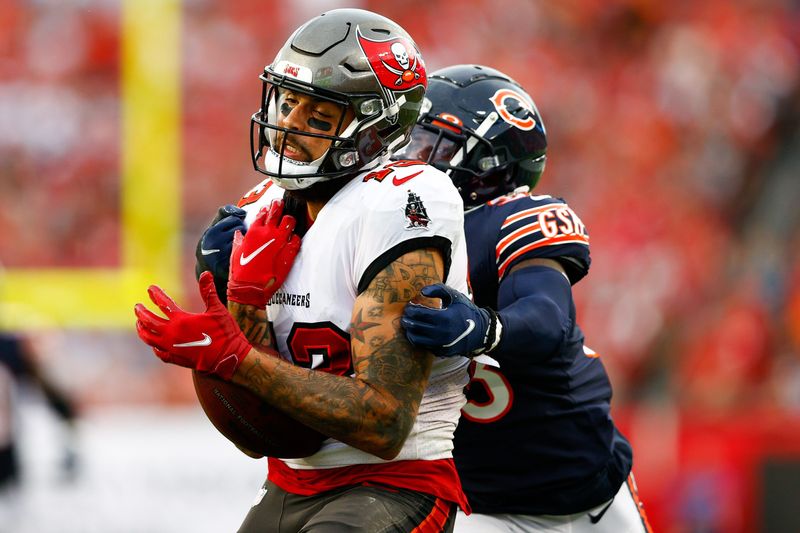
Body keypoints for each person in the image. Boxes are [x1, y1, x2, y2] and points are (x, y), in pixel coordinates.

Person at [135, 9, 471, 532]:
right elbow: (270, 433)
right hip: (289, 480)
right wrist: (242, 301)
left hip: (393, 483)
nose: (287, 128)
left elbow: (384, 421)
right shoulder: (263, 207)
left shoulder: (403, 201)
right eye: (286, 104)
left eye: (317, 118)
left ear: (373, 131)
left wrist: (236, 360)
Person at [396, 65, 653, 532]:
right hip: (486, 506)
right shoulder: (386, 223)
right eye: (412, 140)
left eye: (436, 145)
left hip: (592, 484)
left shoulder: (510, 218)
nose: (412, 157)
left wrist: (484, 327)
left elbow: (546, 315)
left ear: (489, 165)